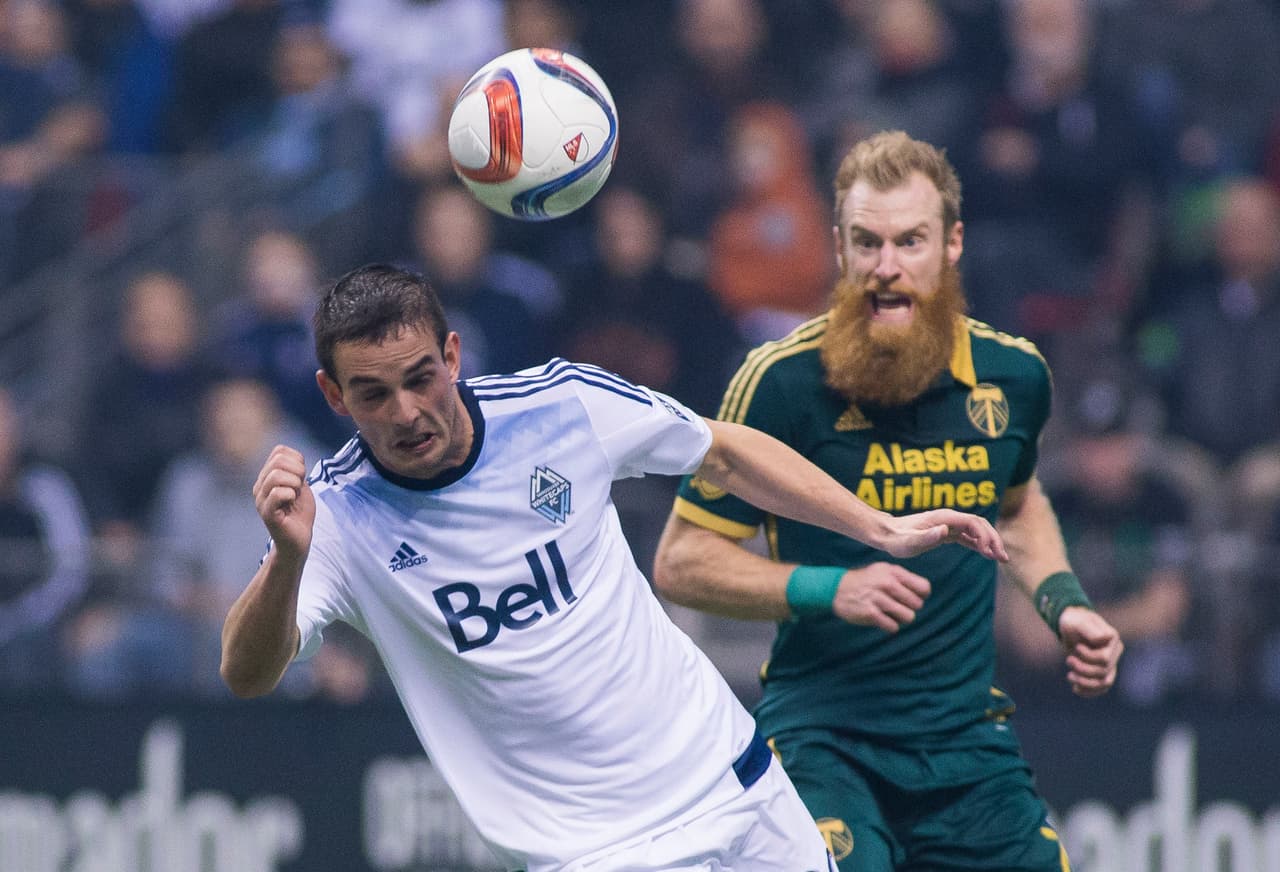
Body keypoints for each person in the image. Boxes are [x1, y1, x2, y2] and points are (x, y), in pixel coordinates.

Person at [219, 263, 1008, 872]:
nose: (406, 412)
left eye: (421, 377)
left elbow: (723, 452)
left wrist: (879, 526)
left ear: (453, 356)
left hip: (735, 782)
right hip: (592, 852)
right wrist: (286, 560)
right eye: (372, 393)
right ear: (332, 394)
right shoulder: (334, 516)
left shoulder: (562, 407)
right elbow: (247, 672)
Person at [652, 130, 1124, 871]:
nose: (888, 268)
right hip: (822, 739)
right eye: (867, 244)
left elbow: (1017, 508)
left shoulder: (1015, 376)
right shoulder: (777, 383)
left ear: (953, 244)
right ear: (839, 249)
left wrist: (1065, 604)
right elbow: (682, 562)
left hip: (967, 745)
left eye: (910, 242)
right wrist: (828, 587)